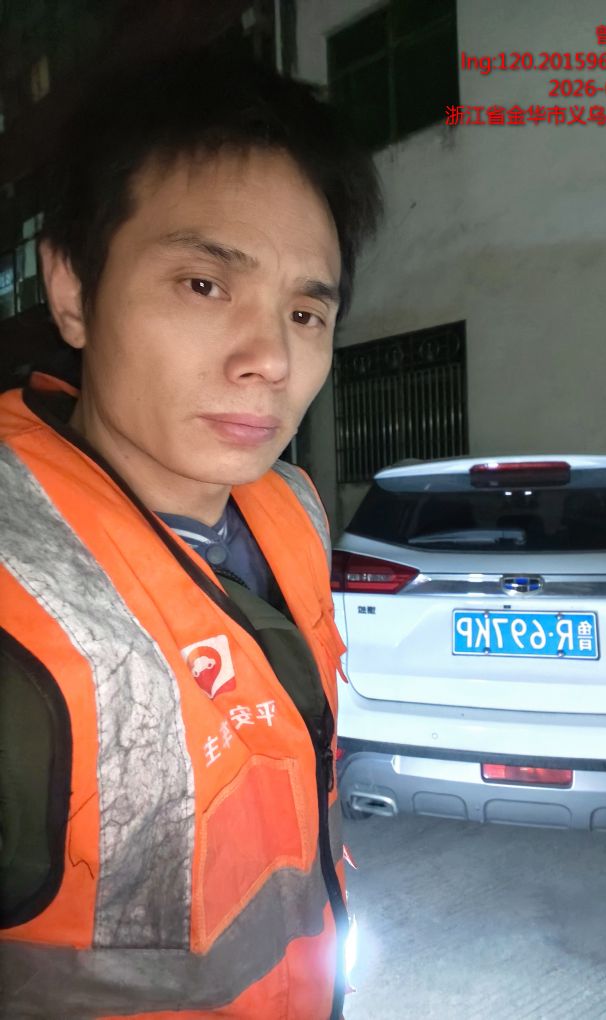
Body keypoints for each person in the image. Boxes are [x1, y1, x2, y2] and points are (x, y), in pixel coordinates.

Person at [0, 48, 381, 1019]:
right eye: (205, 285)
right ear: (73, 289)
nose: (271, 358)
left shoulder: (289, 507)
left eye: (306, 311)